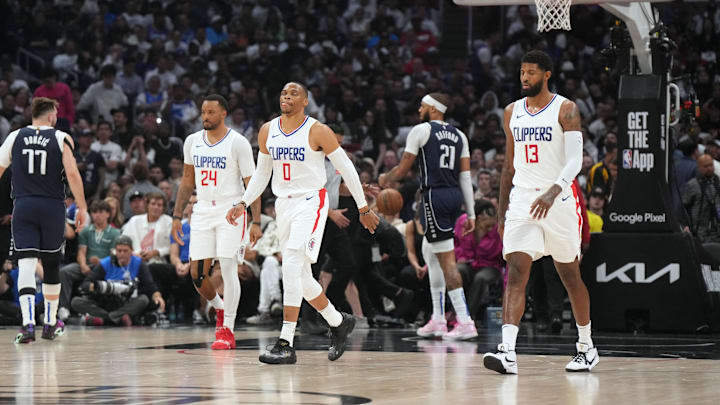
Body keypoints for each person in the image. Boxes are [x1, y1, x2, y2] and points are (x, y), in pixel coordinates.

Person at [226, 82, 379, 364]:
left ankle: (285, 341)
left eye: (294, 93)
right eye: (284, 92)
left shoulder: (317, 130)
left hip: (311, 201)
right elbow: (262, 174)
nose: (287, 96)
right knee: (303, 277)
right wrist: (243, 203)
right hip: (283, 204)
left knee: (292, 264)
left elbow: (346, 168)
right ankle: (338, 321)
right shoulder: (267, 130)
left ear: (306, 101)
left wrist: (363, 207)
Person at [483, 50, 598, 374]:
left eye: (531, 72)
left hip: (559, 200)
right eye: (521, 72)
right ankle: (507, 351)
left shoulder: (566, 109)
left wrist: (553, 190)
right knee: (517, 272)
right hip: (523, 200)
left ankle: (586, 346)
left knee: (569, 276)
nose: (524, 78)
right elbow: (508, 165)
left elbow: (575, 160)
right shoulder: (511, 112)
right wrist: (503, 212)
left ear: (546, 74)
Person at [379, 92, 478, 341]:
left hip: (434, 196)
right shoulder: (460, 135)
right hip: (453, 196)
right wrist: (472, 212)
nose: (419, 109)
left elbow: (403, 168)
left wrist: (385, 179)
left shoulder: (421, 130)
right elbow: (466, 177)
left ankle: (465, 321)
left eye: (422, 105)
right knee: (430, 253)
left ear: (433, 108)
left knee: (447, 261)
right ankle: (438, 319)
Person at [171, 94, 262, 350]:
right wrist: (177, 217)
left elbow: (251, 182)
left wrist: (255, 220)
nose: (205, 117)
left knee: (228, 267)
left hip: (231, 210)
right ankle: (220, 309)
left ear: (223, 114)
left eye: (211, 112)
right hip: (201, 210)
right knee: (197, 274)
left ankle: (227, 330)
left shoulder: (238, 143)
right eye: (203, 112)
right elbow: (187, 181)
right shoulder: (192, 141)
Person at [0, 97, 88, 343]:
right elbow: (71, 172)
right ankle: (49, 323)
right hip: (51, 207)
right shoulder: (60, 138)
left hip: (24, 205)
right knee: (50, 264)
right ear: (52, 117)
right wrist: (82, 206)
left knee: (26, 263)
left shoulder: (15, 136)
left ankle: (27, 325)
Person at [71, 235, 165, 326]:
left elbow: (150, 285)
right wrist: (98, 287)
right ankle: (117, 319)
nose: (122, 254)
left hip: (127, 303)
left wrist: (157, 296)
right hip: (105, 302)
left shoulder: (139, 264)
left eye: (125, 251)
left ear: (132, 250)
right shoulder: (105, 263)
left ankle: (104, 320)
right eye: (119, 251)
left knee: (144, 299)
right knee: (76, 301)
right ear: (115, 251)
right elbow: (85, 284)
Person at [58, 200, 121, 320]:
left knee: (103, 269)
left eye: (101, 212)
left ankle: (93, 309)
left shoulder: (115, 233)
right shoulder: (86, 231)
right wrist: (82, 265)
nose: (97, 215)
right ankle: (63, 307)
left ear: (108, 214)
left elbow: (115, 255)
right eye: (94, 212)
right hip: (87, 264)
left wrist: (102, 261)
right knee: (65, 272)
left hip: (105, 266)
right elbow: (82, 251)